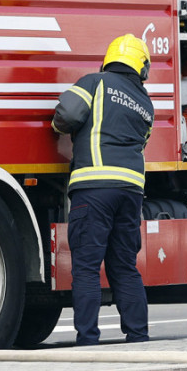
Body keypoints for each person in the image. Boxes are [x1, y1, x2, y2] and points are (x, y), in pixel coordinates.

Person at [52, 34, 154, 345]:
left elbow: (67, 115)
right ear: (142, 67)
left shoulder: (94, 82)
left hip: (94, 188)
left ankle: (88, 341)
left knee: (86, 267)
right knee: (124, 266)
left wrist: (58, 128)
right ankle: (138, 337)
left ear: (109, 59)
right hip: (131, 191)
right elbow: (143, 141)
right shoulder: (145, 102)